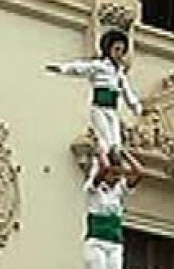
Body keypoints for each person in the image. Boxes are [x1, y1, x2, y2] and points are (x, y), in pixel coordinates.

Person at [46, 28, 144, 187]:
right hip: (100, 107)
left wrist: (136, 107)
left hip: (112, 109)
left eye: (122, 50)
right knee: (105, 140)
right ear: (109, 49)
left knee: (116, 143)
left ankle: (114, 163)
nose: (119, 53)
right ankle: (103, 162)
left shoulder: (119, 73)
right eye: (116, 49)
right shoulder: (100, 66)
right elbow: (81, 68)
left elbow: (127, 92)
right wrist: (62, 69)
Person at [81, 160, 140, 269]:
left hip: (115, 242)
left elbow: (139, 172)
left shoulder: (120, 190)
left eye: (119, 175)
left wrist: (125, 155)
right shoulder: (94, 189)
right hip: (97, 241)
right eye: (114, 174)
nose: (117, 178)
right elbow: (103, 169)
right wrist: (103, 153)